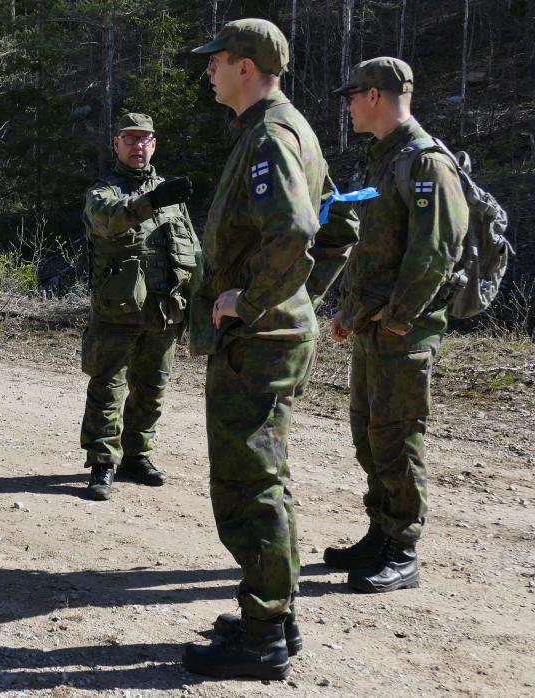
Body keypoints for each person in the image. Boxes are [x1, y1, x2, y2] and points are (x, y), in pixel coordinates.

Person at [183, 18, 358, 679]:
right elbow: (340, 224)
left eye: (217, 61)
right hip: (273, 334)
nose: (210, 72)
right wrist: (300, 300)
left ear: (246, 67)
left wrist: (255, 301)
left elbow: (295, 232)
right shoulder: (286, 130)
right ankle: (274, 616)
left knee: (246, 486)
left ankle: (261, 641)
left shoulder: (271, 138)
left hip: (257, 341)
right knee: (266, 480)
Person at [325, 57, 468, 593]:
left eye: (352, 95)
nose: (348, 104)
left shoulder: (426, 162)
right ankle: (379, 533)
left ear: (376, 96)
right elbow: (372, 247)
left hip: (404, 330)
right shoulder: (381, 160)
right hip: (372, 325)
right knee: (368, 435)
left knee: (397, 437)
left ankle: (403, 548)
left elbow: (437, 251)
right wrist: (349, 309)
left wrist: (401, 314)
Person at [79, 113, 198, 501]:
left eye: (144, 139)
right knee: (108, 387)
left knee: (152, 388)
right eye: (129, 139)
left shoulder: (170, 194)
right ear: (116, 145)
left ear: (154, 144)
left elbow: (192, 249)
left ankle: (137, 457)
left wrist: (201, 298)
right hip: (117, 313)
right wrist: (151, 201)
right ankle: (101, 463)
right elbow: (109, 221)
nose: (137, 146)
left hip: (164, 312)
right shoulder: (104, 192)